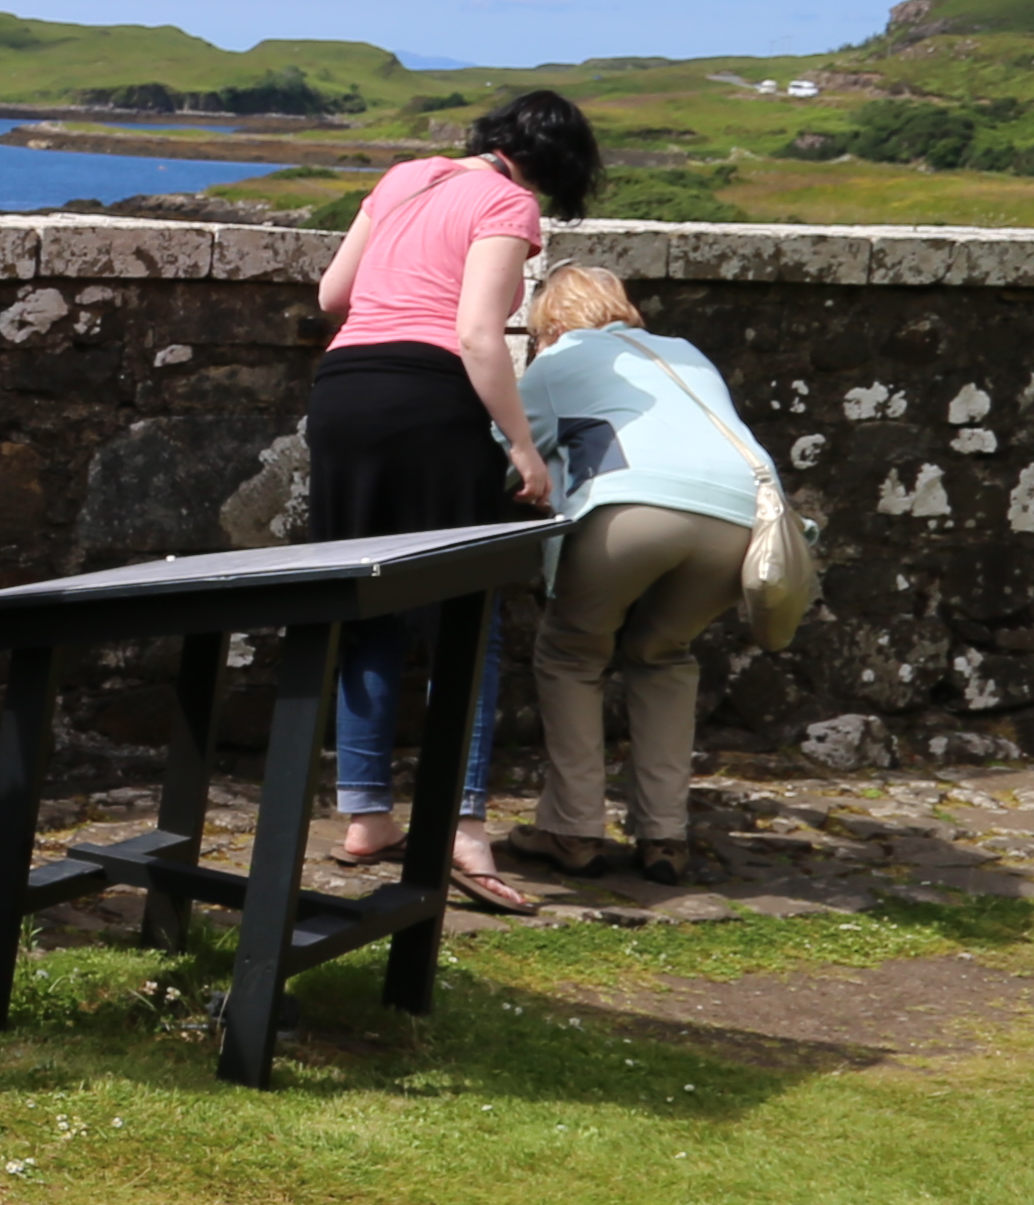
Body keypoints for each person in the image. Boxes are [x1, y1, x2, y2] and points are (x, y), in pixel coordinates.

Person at [302, 87, 598, 910]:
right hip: (428, 399)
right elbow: (476, 333)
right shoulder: (507, 202)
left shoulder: (404, 178)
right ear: (556, 167)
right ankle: (463, 825)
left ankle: (364, 815)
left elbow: (334, 296)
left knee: (364, 607)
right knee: (469, 617)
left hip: (344, 393)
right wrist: (523, 444)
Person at [506, 265, 771, 886]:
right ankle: (664, 837)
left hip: (634, 510)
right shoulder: (685, 353)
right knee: (663, 654)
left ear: (556, 323)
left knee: (573, 651)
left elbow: (510, 448)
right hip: (741, 518)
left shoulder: (558, 358)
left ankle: (572, 831)